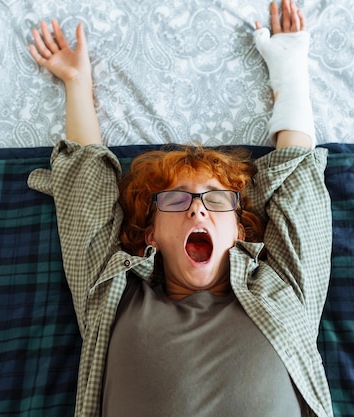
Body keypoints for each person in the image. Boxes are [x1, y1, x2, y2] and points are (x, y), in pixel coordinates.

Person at [27, 1, 333, 416]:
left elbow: (299, 190)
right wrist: (76, 81)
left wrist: (289, 68)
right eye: (175, 199)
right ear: (150, 233)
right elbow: (86, 192)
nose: (198, 211)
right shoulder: (114, 294)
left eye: (216, 199)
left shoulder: (281, 291)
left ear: (240, 232)